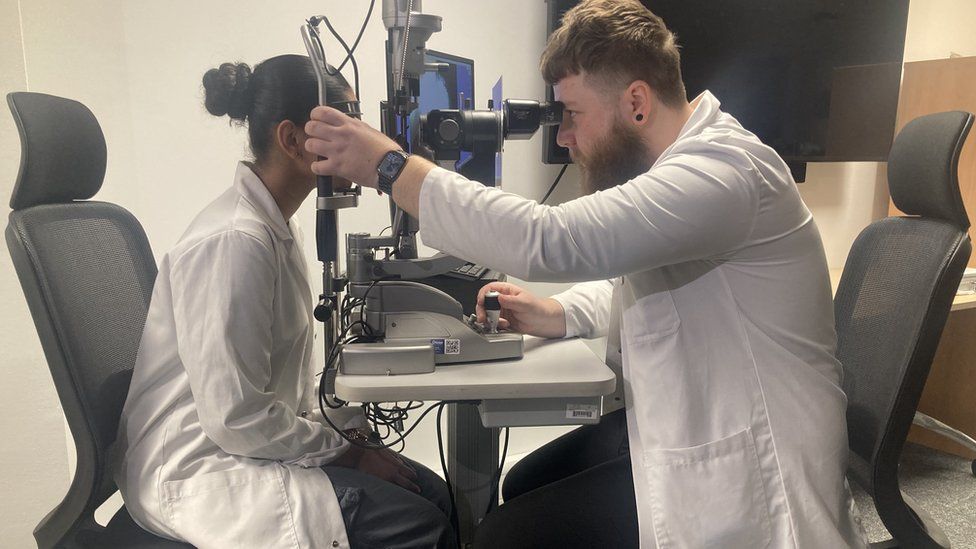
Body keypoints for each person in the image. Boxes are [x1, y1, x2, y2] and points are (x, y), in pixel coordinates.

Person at [302, 0, 868, 547]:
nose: (564, 137)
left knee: (503, 536)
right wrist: (559, 312)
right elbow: (638, 276)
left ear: (637, 103)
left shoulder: (724, 171)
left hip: (754, 470)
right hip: (688, 425)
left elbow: (552, 239)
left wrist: (388, 165)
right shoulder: (689, 169)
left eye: (572, 115)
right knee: (520, 485)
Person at [116, 54, 455, 549]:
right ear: (293, 140)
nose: (362, 138)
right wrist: (347, 453)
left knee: (434, 493)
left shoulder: (276, 227)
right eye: (344, 122)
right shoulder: (234, 241)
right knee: (425, 524)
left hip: (246, 441)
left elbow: (275, 392)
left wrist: (347, 435)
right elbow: (237, 417)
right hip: (201, 464)